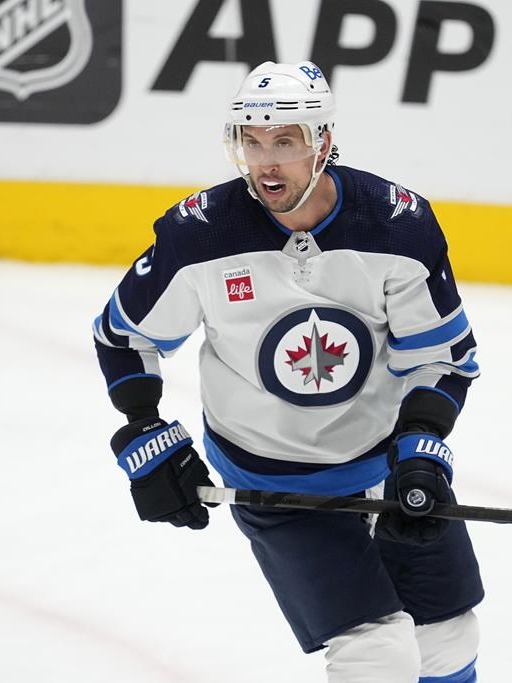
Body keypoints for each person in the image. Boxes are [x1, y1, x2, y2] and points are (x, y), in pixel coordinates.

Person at [92, 61, 484, 683]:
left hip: (384, 461)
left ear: (323, 141)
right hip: (275, 479)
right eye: (251, 141)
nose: (265, 162)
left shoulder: (397, 226)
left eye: (284, 141)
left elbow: (440, 355)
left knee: (446, 634)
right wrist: (144, 433)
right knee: (377, 652)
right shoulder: (202, 235)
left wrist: (420, 453)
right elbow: (122, 336)